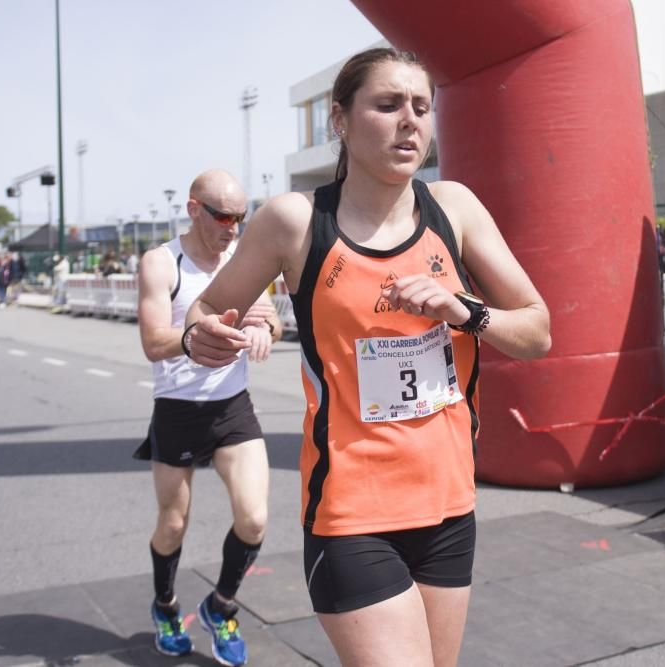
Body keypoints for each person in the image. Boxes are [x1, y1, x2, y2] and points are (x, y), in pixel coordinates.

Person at [184, 48, 551, 667]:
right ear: (341, 120)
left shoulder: (454, 209)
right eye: (387, 105)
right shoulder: (295, 222)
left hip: (449, 505)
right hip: (352, 511)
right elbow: (202, 316)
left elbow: (538, 331)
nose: (410, 121)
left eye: (421, 107)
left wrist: (466, 310)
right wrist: (205, 339)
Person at [134, 168, 281, 663]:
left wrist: (267, 331)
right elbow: (154, 342)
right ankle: (165, 603)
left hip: (232, 408)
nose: (232, 228)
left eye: (241, 217)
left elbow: (271, 316)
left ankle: (221, 607)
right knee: (173, 525)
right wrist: (193, 338)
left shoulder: (242, 260)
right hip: (177, 409)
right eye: (222, 216)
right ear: (194, 208)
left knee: (255, 518)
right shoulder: (160, 262)